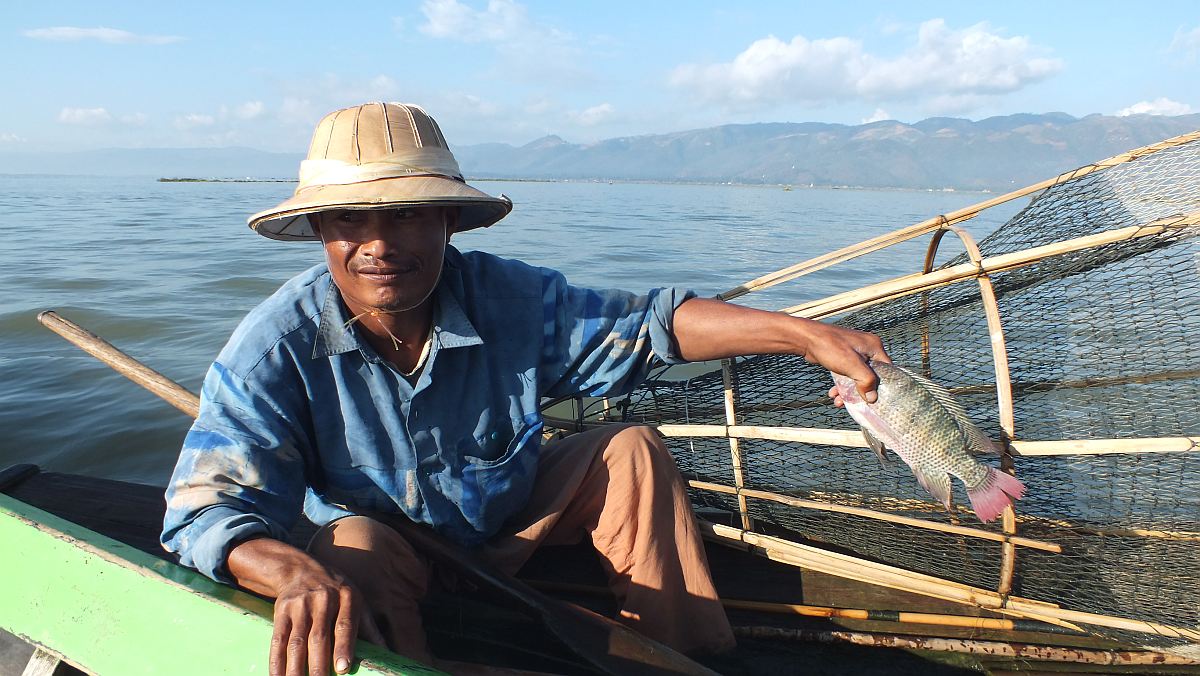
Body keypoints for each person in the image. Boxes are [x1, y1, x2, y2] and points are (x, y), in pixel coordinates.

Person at [161, 102, 888, 675]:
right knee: (354, 544)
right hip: (392, 558)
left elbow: (650, 325)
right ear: (320, 228)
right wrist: (291, 573)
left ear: (447, 221)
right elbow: (204, 511)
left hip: (508, 529)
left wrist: (804, 335)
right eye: (352, 218)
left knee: (630, 450)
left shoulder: (506, 296)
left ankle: (685, 653)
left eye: (408, 214)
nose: (380, 244)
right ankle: (414, 666)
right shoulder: (275, 347)